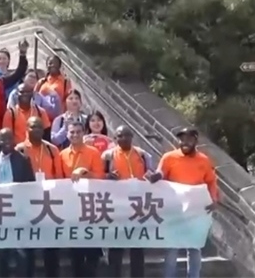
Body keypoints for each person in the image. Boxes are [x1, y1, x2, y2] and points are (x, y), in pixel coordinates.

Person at [148, 127, 218, 278]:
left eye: (189, 139)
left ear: (196, 141)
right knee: (172, 248)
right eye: (182, 139)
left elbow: (211, 181)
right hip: (175, 210)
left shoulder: (204, 160)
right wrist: (156, 176)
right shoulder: (169, 157)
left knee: (194, 249)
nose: (185, 142)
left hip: (196, 210)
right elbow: (161, 172)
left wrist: (214, 199)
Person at [103, 126, 154, 278]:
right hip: (116, 207)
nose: (123, 138)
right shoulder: (107, 156)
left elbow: (152, 172)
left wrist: (151, 175)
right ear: (115, 139)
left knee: (137, 248)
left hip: (137, 207)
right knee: (116, 248)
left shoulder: (142, 155)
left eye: (127, 135)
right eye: (120, 136)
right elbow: (100, 177)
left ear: (132, 137)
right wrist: (107, 176)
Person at [14, 116, 61, 277]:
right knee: (28, 247)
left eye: (40, 127)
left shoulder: (52, 150)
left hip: (48, 203)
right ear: (26, 129)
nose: (37, 130)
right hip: (27, 204)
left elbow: (59, 177)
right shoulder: (19, 150)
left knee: (51, 247)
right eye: (33, 127)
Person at [59, 121, 105, 277]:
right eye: (72, 132)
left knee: (92, 253)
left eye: (78, 132)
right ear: (67, 134)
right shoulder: (62, 155)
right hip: (71, 206)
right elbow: (59, 179)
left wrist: (85, 172)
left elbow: (100, 177)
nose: (75, 135)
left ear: (84, 133)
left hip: (91, 205)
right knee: (75, 253)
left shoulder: (93, 152)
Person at [0, 129, 35, 277]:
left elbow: (30, 185)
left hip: (19, 211)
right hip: (0, 211)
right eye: (3, 139)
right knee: (3, 253)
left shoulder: (23, 160)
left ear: (14, 139)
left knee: (21, 253)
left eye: (9, 138)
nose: (7, 142)